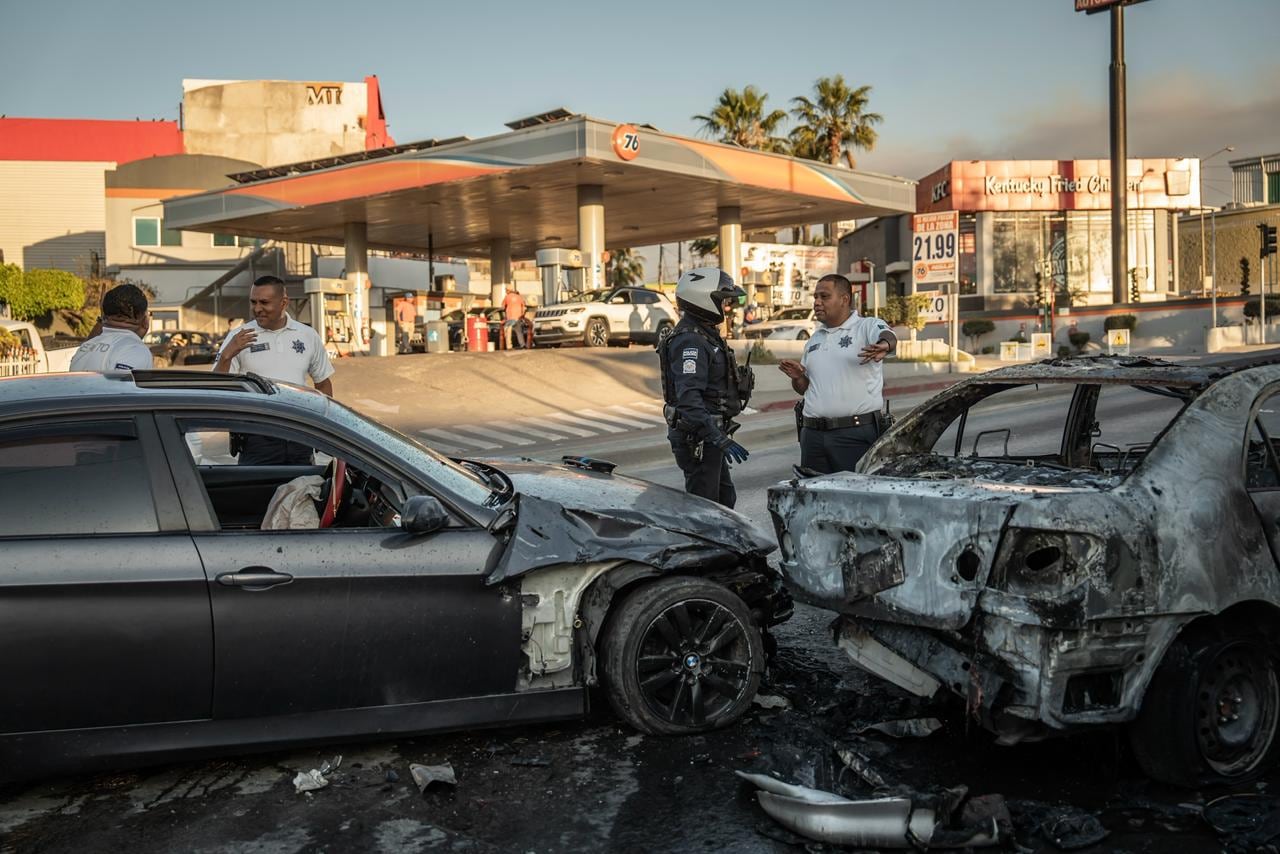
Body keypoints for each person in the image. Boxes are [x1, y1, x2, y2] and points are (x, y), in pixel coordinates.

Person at [778, 273, 896, 474]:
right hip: (812, 436)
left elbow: (888, 335)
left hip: (854, 435)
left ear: (844, 299)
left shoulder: (866, 326)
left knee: (853, 492)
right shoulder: (815, 338)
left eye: (824, 296)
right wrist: (798, 377)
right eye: (815, 297)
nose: (817, 302)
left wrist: (885, 344)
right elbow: (804, 389)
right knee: (814, 492)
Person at [214, 275, 335, 465]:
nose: (257, 309)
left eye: (264, 302)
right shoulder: (239, 337)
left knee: (303, 485)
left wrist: (321, 427)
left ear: (284, 303)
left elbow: (323, 383)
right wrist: (226, 356)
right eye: (253, 302)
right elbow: (215, 387)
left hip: (300, 437)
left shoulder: (308, 335)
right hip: (257, 439)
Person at [659, 267, 752, 508]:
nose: (726, 307)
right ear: (703, 299)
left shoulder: (705, 335)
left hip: (708, 435)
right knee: (706, 509)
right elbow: (689, 398)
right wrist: (717, 438)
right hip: (699, 437)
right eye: (723, 301)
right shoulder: (690, 341)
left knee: (724, 501)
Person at [69, 283, 153, 372]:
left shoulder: (84, 349)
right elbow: (121, 381)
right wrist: (135, 341)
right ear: (144, 318)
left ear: (105, 314)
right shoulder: (136, 350)